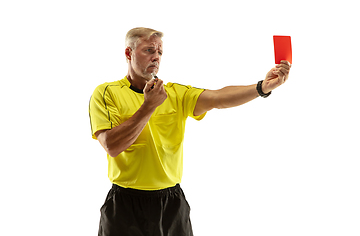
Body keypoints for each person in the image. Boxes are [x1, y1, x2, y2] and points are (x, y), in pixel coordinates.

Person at [89, 27, 291, 236]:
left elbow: (218, 98)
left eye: (159, 52)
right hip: (125, 204)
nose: (156, 57)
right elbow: (112, 146)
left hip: (171, 204)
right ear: (128, 53)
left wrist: (262, 87)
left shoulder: (175, 93)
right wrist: (148, 106)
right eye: (149, 50)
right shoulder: (106, 93)